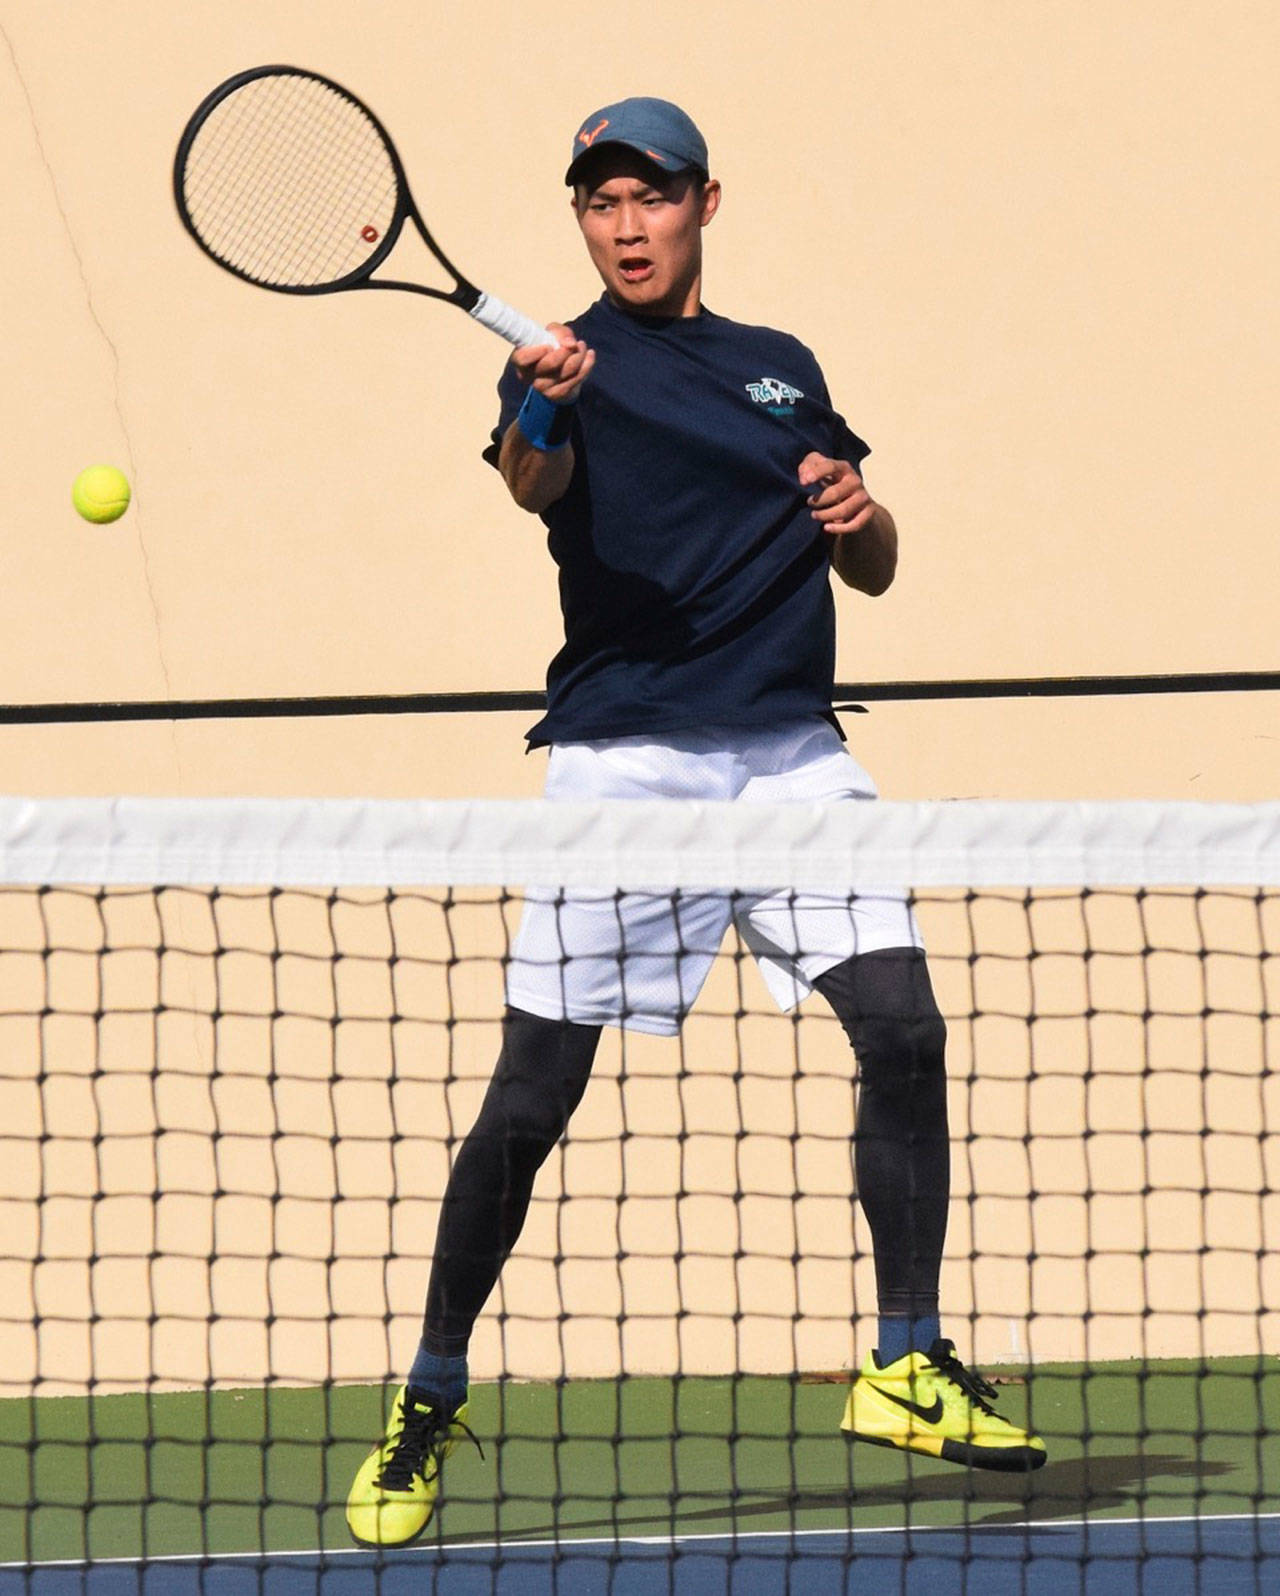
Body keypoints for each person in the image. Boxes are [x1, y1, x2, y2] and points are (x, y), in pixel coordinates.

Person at [346, 96, 1044, 1549]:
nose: (624, 224)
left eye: (648, 197)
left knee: (905, 1033)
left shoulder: (779, 370)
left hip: (793, 759)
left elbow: (879, 572)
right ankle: (428, 1394)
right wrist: (541, 401)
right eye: (599, 203)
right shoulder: (562, 373)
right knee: (534, 1096)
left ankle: (904, 1354)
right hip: (627, 770)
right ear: (584, 225)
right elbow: (532, 482)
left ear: (700, 206)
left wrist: (863, 514)